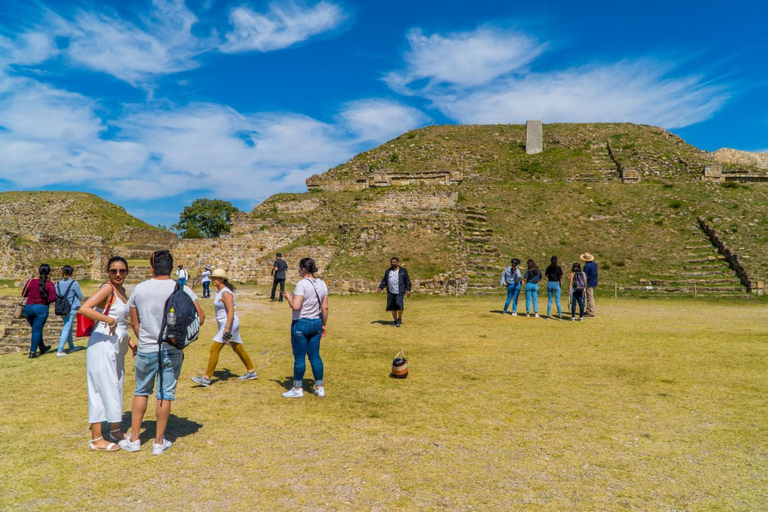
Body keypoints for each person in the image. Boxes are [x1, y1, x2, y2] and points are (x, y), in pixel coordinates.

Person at [120, 250, 205, 455]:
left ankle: (134, 438)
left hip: (148, 347)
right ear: (171, 267)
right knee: (165, 394)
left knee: (141, 391)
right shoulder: (181, 288)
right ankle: (159, 441)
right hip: (172, 348)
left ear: (152, 267)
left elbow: (134, 322)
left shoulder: (140, 290)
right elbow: (200, 317)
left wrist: (145, 340)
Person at [78, 257, 131, 451]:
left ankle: (115, 429)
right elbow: (84, 308)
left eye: (122, 271)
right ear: (108, 272)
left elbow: (122, 322)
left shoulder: (122, 291)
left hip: (115, 345)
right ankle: (96, 438)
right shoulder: (107, 289)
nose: (118, 274)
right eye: (114, 271)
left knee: (115, 385)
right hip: (101, 344)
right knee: (100, 387)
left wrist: (131, 342)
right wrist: (107, 319)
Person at [191, 268, 257, 387]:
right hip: (227, 324)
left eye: (215, 278)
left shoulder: (225, 292)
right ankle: (251, 371)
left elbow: (231, 310)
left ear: (222, 279)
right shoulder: (220, 292)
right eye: (212, 278)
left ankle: (206, 378)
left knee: (214, 348)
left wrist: (226, 327)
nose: (212, 280)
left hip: (229, 324)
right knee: (237, 348)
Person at [281, 258, 328, 398]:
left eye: (299, 268)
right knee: (315, 356)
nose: (298, 270)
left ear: (304, 269)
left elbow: (296, 306)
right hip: (316, 322)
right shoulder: (322, 284)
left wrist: (289, 297)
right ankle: (319, 387)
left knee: (300, 357)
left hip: (301, 322)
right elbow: (324, 307)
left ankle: (297, 388)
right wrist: (324, 324)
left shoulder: (301, 284)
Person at [22, 264, 56, 359]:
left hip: (28, 308)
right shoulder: (49, 284)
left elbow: (24, 294)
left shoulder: (30, 282)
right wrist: (46, 301)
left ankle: (42, 347)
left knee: (36, 328)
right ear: (49, 272)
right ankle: (32, 352)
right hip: (41, 308)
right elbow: (53, 297)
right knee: (36, 330)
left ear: (38, 271)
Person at [55, 265, 84, 356]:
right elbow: (80, 296)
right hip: (71, 308)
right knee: (66, 328)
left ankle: (71, 346)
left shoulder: (57, 284)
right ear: (71, 273)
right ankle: (60, 350)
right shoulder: (74, 283)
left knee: (68, 327)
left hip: (61, 308)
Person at [377, 257, 412, 327]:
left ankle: (399, 319)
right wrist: (381, 287)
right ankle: (395, 320)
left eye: (394, 262)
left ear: (397, 263)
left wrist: (408, 289)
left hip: (399, 291)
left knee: (399, 305)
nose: (392, 264)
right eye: (391, 262)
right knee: (392, 307)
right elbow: (384, 280)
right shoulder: (388, 271)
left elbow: (407, 280)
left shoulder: (403, 271)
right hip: (391, 292)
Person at [545, 256, 563, 320]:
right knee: (557, 300)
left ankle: (548, 315)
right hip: (556, 283)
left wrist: (549, 278)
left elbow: (546, 275)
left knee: (550, 300)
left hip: (550, 283)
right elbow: (561, 276)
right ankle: (560, 315)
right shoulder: (558, 268)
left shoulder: (548, 267)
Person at [581, 253, 598, 318]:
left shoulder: (586, 266)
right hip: (594, 281)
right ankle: (588, 309)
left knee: (590, 297)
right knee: (590, 296)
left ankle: (591, 311)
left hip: (589, 283)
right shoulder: (594, 264)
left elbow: (585, 276)